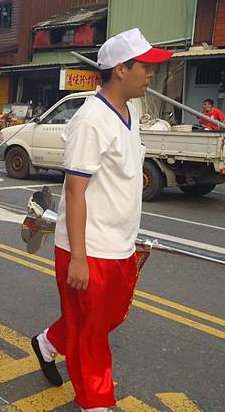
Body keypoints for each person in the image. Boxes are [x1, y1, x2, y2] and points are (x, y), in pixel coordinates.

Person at [31, 28, 173, 412]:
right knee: (91, 334)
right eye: (146, 67)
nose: (151, 76)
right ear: (121, 69)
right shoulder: (90, 121)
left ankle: (47, 343)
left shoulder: (132, 110)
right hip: (88, 247)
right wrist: (78, 255)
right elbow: (75, 191)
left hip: (119, 243)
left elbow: (120, 180)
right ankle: (96, 402)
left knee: (109, 317)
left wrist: (131, 234)